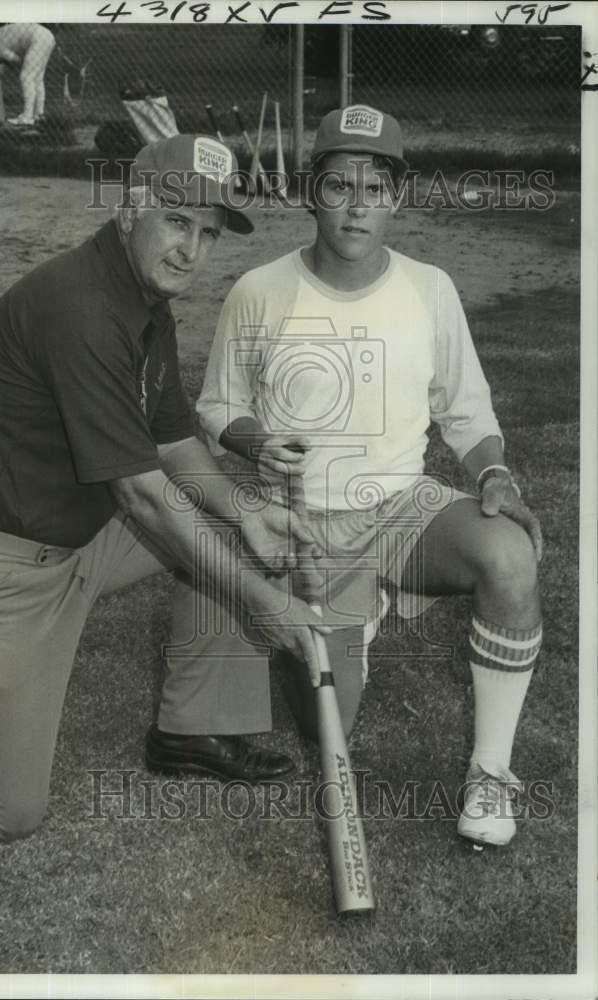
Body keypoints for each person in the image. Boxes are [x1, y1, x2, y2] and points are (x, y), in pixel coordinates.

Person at [0, 135, 332, 842]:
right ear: (131, 209)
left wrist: (248, 509)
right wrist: (265, 601)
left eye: (208, 233)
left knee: (221, 522)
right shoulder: (82, 305)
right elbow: (143, 496)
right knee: (3, 809)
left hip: (69, 547)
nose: (191, 249)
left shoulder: (145, 303)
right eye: (177, 221)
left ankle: (193, 732)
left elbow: (173, 445)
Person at [177, 105, 543, 848]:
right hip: (309, 523)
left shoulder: (429, 289)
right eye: (339, 185)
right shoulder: (261, 290)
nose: (357, 204)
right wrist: (254, 439)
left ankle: (490, 772)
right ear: (312, 192)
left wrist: (494, 474)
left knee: (509, 554)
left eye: (375, 187)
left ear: (397, 197)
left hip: (403, 505)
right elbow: (218, 406)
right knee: (326, 724)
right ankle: (357, 608)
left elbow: (466, 413)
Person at [0, 23, 56, 126]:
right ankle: (39, 114)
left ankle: (27, 117)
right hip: (48, 35)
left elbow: (15, 59)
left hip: (37, 40)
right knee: (38, 78)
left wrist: (23, 62)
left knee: (26, 77)